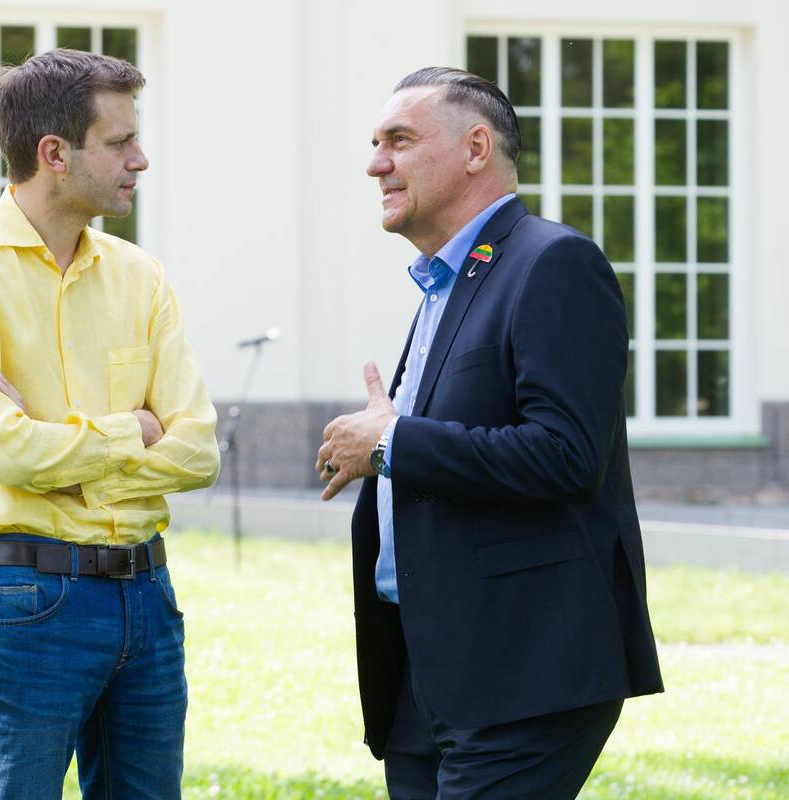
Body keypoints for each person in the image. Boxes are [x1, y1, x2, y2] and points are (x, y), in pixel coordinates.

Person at [316, 67, 663, 798]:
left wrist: (391, 444)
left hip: (524, 670)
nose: (376, 164)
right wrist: (390, 445)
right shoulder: (447, 280)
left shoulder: (554, 263)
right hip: (426, 669)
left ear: (476, 149)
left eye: (399, 141)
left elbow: (565, 456)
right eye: (375, 144)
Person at [0, 48, 219, 799]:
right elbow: (2, 449)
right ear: (55, 153)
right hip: (25, 600)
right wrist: (131, 430)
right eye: (120, 141)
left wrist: (61, 452)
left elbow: (199, 451)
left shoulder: (140, 275)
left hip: (148, 598)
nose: (140, 159)